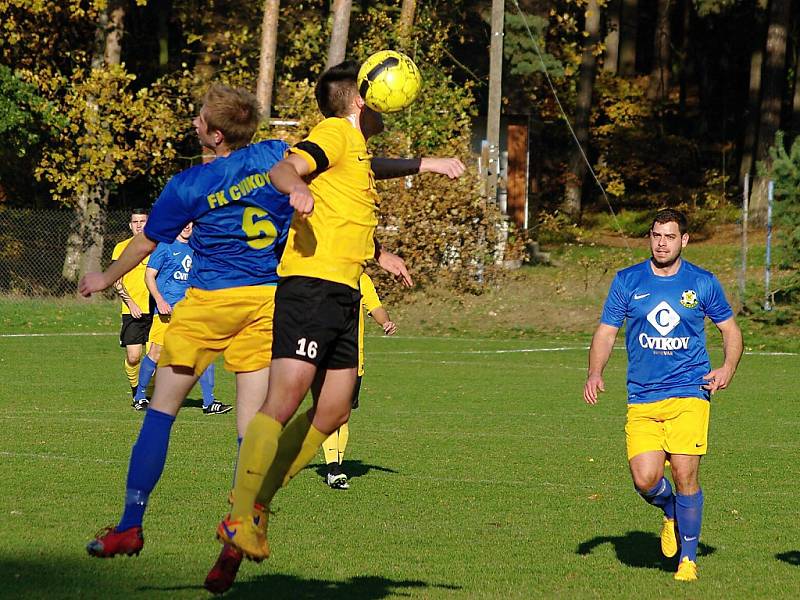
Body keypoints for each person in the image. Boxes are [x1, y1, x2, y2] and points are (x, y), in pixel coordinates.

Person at [215, 59, 466, 574]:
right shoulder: (332, 133)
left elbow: (359, 185)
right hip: (309, 286)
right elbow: (287, 166)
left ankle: (256, 501)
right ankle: (243, 508)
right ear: (360, 101)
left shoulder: (355, 150)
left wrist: (423, 170)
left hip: (344, 291)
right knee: (283, 400)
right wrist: (296, 188)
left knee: (333, 412)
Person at [79, 83, 297, 563]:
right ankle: (239, 532)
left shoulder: (188, 186)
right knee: (251, 428)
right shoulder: (276, 155)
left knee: (161, 413)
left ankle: (131, 526)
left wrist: (104, 276)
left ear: (217, 135)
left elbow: (144, 245)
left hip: (207, 304)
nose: (195, 124)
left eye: (200, 119)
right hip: (264, 302)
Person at [583, 208, 743, 582]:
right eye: (656, 235)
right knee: (644, 479)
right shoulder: (627, 281)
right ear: (650, 238)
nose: (662, 243)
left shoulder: (702, 283)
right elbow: (607, 332)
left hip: (690, 392)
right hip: (642, 397)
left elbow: (731, 331)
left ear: (684, 241)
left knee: (686, 472)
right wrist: (594, 372)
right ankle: (670, 510)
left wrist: (727, 369)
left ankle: (688, 561)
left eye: (670, 236)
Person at [134, 222, 232, 415]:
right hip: (166, 311)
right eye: (184, 224)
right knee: (156, 353)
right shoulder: (165, 246)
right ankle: (140, 396)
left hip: (191, 311)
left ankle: (209, 402)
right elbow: (149, 276)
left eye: (191, 224)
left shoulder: (198, 248)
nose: (187, 227)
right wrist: (160, 300)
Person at [323, 272, 396, 490]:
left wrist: (386, 322)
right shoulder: (325, 276)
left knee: (343, 417)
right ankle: (333, 469)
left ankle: (336, 468)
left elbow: (375, 307)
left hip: (355, 359)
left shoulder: (362, 279)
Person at [112, 209, 152, 405]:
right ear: (130, 225)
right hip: (132, 310)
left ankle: (144, 396)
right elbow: (116, 279)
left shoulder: (158, 246)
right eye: (135, 222)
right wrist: (130, 302)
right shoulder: (121, 248)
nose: (139, 225)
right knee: (134, 357)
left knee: (156, 358)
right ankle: (137, 389)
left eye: (142, 221)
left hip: (156, 310)